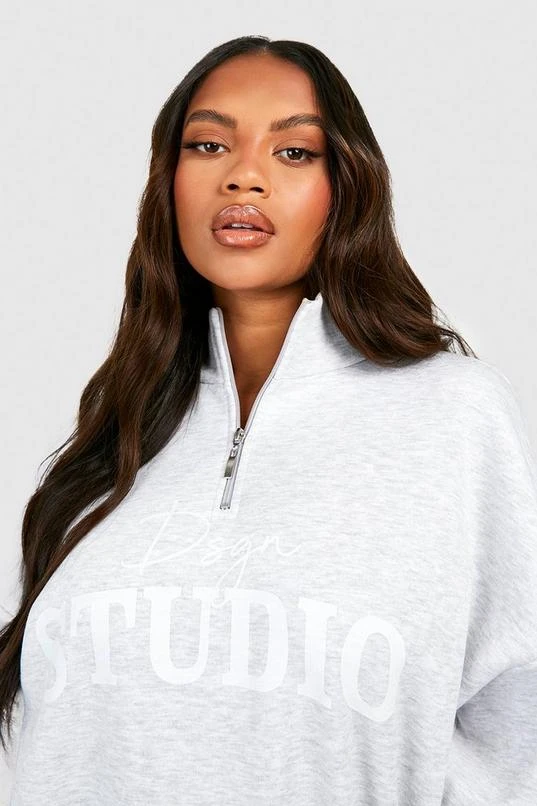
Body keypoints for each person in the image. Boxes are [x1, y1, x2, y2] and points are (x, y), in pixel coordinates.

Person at [1, 35, 536, 806]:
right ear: (169, 182)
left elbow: (517, 731)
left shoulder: (454, 414)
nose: (242, 175)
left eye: (292, 152)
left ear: (345, 187)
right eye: (207, 144)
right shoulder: (113, 432)